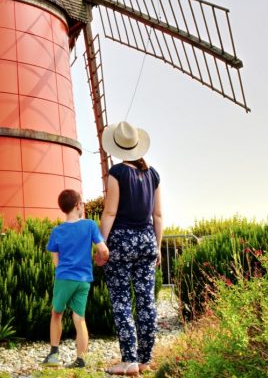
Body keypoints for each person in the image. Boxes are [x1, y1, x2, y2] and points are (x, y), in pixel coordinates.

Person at [98, 121, 163, 376]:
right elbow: (158, 215)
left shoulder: (117, 173)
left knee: (123, 301)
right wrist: (157, 247)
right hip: (147, 240)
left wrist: (102, 244)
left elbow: (110, 211)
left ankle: (129, 360)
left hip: (122, 242)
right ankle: (146, 358)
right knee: (147, 301)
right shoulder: (153, 174)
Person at [42, 189, 110, 369]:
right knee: (79, 318)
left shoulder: (57, 231)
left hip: (65, 278)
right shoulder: (90, 226)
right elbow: (103, 250)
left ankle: (54, 354)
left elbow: (56, 261)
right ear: (78, 205)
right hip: (84, 279)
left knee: (57, 313)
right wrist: (101, 259)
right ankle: (80, 359)